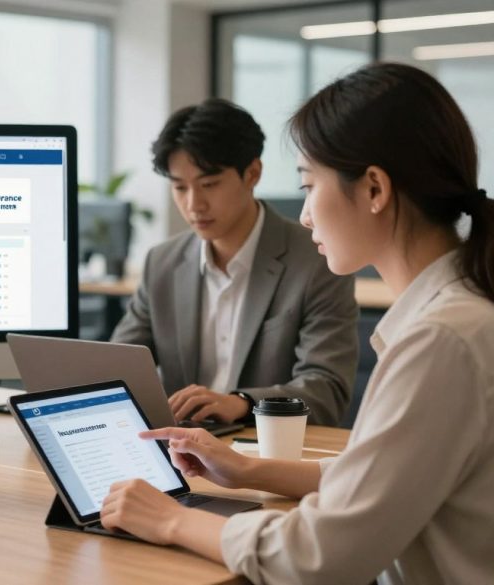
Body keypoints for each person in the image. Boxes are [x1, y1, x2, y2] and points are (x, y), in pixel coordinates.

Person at [100, 63, 494, 585]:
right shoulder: (456, 317)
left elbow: (320, 555)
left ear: (374, 189)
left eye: (309, 186)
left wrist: (172, 520)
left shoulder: (441, 341)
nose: (306, 215)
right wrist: (249, 469)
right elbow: (381, 476)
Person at [110, 98, 358, 426]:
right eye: (180, 187)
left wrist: (241, 403)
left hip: (266, 446)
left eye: (209, 185)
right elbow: (117, 367)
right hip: (180, 446)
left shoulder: (318, 259)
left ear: (252, 173)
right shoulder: (162, 263)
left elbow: (326, 389)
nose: (194, 204)